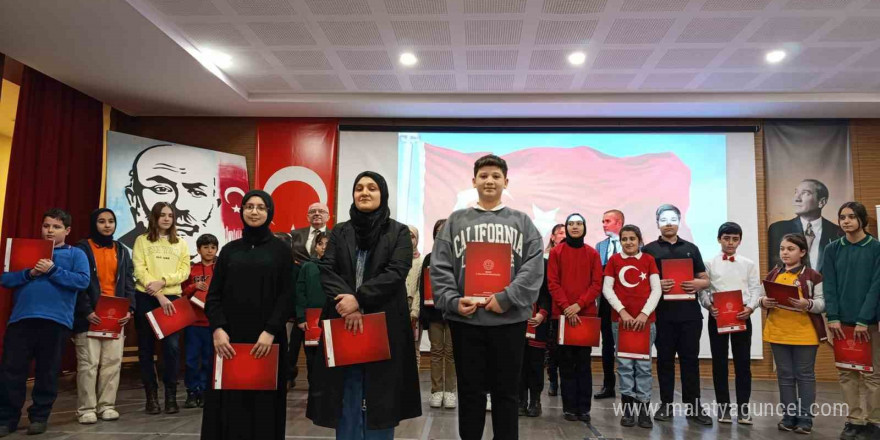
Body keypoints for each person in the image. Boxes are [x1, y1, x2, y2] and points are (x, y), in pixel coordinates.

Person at [432, 155, 543, 440]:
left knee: (507, 395)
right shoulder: (456, 221)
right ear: (473, 182)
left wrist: (505, 298)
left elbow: (533, 268)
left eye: (496, 175)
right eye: (483, 176)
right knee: (470, 394)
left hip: (509, 322)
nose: (489, 180)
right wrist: (454, 301)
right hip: (466, 322)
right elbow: (440, 267)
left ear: (506, 181)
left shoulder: (523, 222)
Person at [307, 171, 421, 439]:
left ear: (382, 194)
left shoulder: (399, 232)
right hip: (342, 319)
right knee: (346, 389)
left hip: (384, 322)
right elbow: (327, 269)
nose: (365, 192)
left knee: (380, 393)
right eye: (359, 188)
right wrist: (348, 302)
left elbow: (396, 272)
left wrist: (358, 299)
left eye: (372, 188)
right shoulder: (340, 231)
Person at [201, 190, 296, 440]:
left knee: (264, 408)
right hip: (229, 342)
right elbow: (214, 296)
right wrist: (218, 329)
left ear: (269, 212)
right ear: (242, 211)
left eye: (261, 207)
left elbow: (288, 296)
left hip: (267, 341)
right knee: (228, 407)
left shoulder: (282, 251)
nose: (254, 211)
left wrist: (271, 331)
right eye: (249, 206)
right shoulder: (229, 251)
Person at [0, 208, 90, 436]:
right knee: (12, 371)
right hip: (21, 320)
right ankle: (7, 418)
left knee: (47, 372)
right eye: (46, 226)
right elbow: (6, 279)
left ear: (67, 230)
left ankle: (39, 417)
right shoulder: (27, 249)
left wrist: (53, 270)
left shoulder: (75, 254)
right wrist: (28, 274)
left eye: (56, 227)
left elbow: (82, 281)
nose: (50, 230)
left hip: (56, 321)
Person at [642, 204, 712, 425]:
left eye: (673, 219)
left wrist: (697, 283)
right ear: (657, 223)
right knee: (664, 361)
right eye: (664, 219)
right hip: (662, 315)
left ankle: (694, 407)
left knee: (690, 361)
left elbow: (706, 279)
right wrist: (656, 284)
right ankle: (665, 405)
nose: (669, 223)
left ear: (679, 221)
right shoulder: (649, 250)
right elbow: (641, 283)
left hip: (690, 316)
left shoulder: (691, 248)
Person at [822, 202, 880, 440]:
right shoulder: (832, 249)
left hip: (868, 323)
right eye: (842, 217)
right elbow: (830, 286)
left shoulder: (876, 248)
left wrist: (864, 320)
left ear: (862, 220)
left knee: (871, 374)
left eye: (851, 217)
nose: (846, 221)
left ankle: (874, 422)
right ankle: (854, 420)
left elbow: (877, 287)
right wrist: (833, 317)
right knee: (847, 373)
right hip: (840, 323)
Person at [72, 208, 135, 424]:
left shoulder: (122, 250)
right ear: (94, 224)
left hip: (115, 316)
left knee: (112, 363)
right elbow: (79, 284)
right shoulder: (82, 249)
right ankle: (86, 409)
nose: (107, 225)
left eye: (111, 221)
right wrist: (86, 311)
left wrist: (130, 309)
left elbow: (129, 282)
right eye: (101, 221)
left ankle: (107, 406)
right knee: (88, 364)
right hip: (89, 315)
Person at [762, 233, 826, 434]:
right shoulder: (774, 273)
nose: (785, 253)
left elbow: (823, 303)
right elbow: (761, 296)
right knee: (785, 376)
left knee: (805, 376)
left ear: (802, 252)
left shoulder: (813, 275)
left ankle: (805, 419)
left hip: (804, 334)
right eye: (782, 249)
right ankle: (789, 417)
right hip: (777, 332)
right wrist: (763, 302)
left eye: (790, 249)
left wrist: (807, 304)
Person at [132, 202, 191, 415]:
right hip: (146, 297)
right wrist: (158, 294)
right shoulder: (141, 241)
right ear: (154, 217)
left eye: (170, 215)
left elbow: (184, 271)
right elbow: (139, 270)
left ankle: (171, 397)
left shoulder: (181, 243)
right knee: (146, 349)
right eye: (162, 215)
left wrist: (164, 282)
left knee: (172, 349)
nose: (166, 218)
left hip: (173, 298)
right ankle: (151, 398)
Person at [699, 222, 761, 424]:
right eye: (726, 238)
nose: (731, 243)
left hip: (742, 315)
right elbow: (704, 291)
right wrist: (709, 306)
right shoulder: (709, 263)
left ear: (740, 240)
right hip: (718, 316)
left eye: (735, 239)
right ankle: (723, 408)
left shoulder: (748, 264)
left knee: (743, 364)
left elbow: (755, 290)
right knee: (719, 363)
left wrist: (750, 308)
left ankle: (744, 409)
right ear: (719, 239)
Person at [602, 224, 661, 429]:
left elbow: (656, 290)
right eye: (624, 239)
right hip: (621, 323)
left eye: (632, 239)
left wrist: (644, 314)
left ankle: (644, 410)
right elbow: (607, 289)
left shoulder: (649, 260)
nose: (628, 242)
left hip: (645, 324)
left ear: (639, 240)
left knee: (643, 367)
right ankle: (628, 410)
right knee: (625, 366)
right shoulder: (614, 261)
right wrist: (623, 312)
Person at [547, 213, 602, 422]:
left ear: (584, 227)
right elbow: (553, 283)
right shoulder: (557, 252)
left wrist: (578, 305)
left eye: (579, 224)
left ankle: (584, 408)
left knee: (583, 363)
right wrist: (566, 307)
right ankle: (569, 407)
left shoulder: (592, 254)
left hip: (585, 316)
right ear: (566, 228)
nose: (575, 227)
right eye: (571, 224)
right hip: (561, 316)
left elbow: (596, 284)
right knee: (566, 363)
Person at [120, 144, 223, 256]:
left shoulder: (215, 262)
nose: (180, 205)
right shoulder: (122, 253)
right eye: (162, 189)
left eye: (196, 192)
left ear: (215, 205)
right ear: (133, 199)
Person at [768, 179, 843, 272]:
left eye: (805, 193)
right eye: (796, 192)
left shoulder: (838, 232)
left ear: (821, 202)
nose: (797, 199)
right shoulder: (778, 230)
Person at [420, 219, 457, 410]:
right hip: (434, 313)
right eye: (438, 230)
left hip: (453, 313)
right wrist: (424, 316)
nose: (441, 232)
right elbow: (423, 286)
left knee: (451, 353)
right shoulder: (428, 258)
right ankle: (436, 391)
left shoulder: (458, 256)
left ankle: (450, 391)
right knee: (436, 352)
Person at [181, 233, 218, 409]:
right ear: (198, 249)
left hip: (212, 323)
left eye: (212, 247)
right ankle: (191, 391)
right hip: (193, 322)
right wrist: (194, 286)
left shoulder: (220, 269)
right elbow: (181, 293)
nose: (209, 251)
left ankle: (204, 391)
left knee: (209, 358)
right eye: (205, 247)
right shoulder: (191, 269)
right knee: (191, 359)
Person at [520, 237, 552, 418]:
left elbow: (548, 292)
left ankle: (535, 401)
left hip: (538, 321)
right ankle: (521, 400)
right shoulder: (515, 263)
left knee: (535, 363)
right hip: (517, 321)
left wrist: (542, 313)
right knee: (519, 363)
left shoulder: (545, 264)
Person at [595, 209, 625, 400]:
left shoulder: (632, 244)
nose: (604, 224)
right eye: (603, 221)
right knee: (607, 343)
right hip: (605, 302)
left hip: (627, 301)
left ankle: (628, 386)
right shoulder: (599, 246)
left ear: (619, 222)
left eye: (608, 221)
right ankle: (608, 385)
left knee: (626, 343)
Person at [294, 230, 329, 383]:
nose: (323, 247)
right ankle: (313, 394)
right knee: (312, 359)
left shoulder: (339, 267)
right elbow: (300, 293)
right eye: (320, 244)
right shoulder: (307, 267)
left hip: (331, 320)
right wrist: (301, 317)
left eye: (328, 244)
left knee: (330, 358)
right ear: (315, 247)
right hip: (310, 321)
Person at [544, 223, 565, 397]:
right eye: (560, 233)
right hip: (550, 308)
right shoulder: (544, 258)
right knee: (551, 348)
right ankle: (552, 381)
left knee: (565, 349)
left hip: (567, 309)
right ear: (552, 237)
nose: (563, 235)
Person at [406, 225, 424, 366]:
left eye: (411, 236)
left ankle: (415, 386)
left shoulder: (421, 260)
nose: (408, 239)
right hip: (398, 307)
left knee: (414, 348)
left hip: (414, 308)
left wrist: (415, 310)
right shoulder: (396, 259)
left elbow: (420, 287)